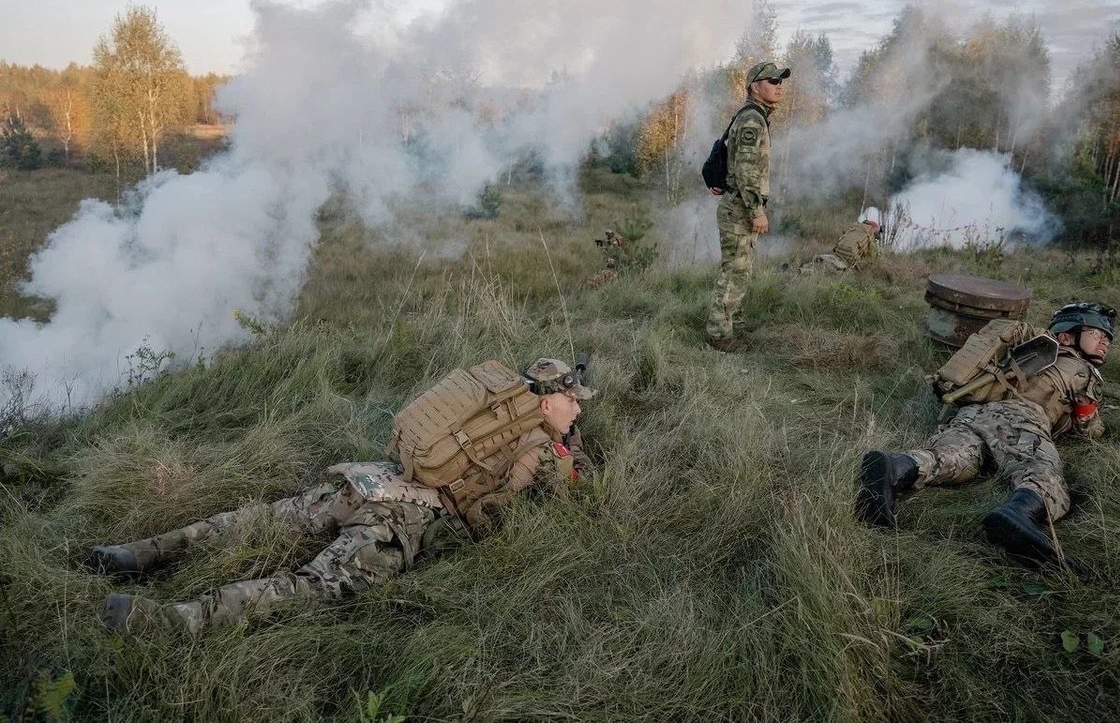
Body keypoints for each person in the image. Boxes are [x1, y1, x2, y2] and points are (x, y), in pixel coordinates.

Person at [91, 358, 594, 635]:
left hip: (374, 478)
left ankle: (142, 552)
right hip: (408, 517)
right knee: (318, 584)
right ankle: (174, 620)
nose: (578, 409)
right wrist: (571, 455)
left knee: (259, 518)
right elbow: (580, 501)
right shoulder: (546, 448)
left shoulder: (492, 402)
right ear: (549, 400)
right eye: (573, 401)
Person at [855, 302, 1116, 568]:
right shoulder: (1081, 369)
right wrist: (1090, 414)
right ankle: (1018, 515)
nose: (1105, 342)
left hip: (974, 413)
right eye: (1097, 334)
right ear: (1066, 336)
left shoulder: (1024, 352)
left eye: (1108, 339)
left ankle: (895, 467)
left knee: (955, 460)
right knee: (1043, 475)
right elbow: (1090, 431)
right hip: (1020, 418)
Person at [704, 60, 790, 353]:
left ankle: (733, 325)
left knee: (740, 270)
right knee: (735, 272)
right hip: (741, 208)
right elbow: (746, 171)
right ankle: (719, 335)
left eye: (780, 82)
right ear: (755, 87)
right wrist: (757, 211)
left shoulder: (752, 116)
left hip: (736, 204)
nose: (779, 86)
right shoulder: (753, 119)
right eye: (772, 81)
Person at [795, 206, 882, 273]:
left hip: (838, 253)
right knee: (825, 269)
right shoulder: (869, 236)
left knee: (820, 262)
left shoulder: (857, 228)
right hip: (847, 260)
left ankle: (799, 269)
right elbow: (872, 259)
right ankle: (802, 272)